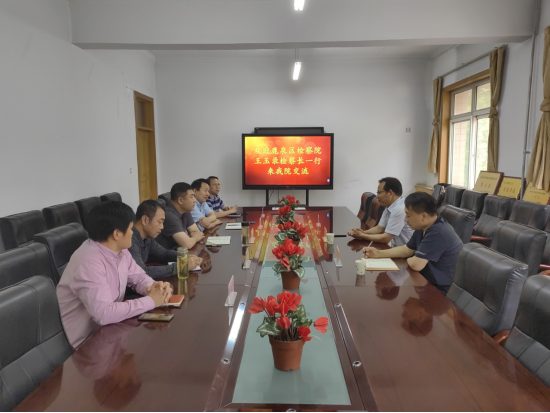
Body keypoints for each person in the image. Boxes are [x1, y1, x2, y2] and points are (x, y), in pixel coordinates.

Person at [57, 201, 173, 348]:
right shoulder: (89, 262)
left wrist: (155, 287)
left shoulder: (121, 250)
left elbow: (138, 277)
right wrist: (151, 301)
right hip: (85, 344)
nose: (133, 233)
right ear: (117, 234)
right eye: (130, 228)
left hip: (111, 331)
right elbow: (104, 313)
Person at [363, 192, 463, 295]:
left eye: (408, 215)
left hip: (440, 292)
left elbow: (416, 265)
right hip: (426, 282)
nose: (405, 219)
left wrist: (410, 258)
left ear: (423, 216)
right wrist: (378, 253)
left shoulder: (438, 232)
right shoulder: (423, 226)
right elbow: (406, 250)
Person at [129, 200, 202, 279]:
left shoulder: (147, 237)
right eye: (160, 222)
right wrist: (181, 266)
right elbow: (142, 272)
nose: (162, 227)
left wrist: (184, 256)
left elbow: (164, 254)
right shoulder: (129, 240)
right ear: (145, 220)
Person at [349, 177, 414, 247]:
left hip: (407, 251)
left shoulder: (399, 209)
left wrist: (362, 235)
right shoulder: (390, 206)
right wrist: (363, 232)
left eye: (379, 192)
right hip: (397, 248)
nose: (377, 196)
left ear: (390, 193)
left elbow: (386, 238)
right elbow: (379, 228)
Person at [156, 182, 206, 250]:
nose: (194, 200)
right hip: (164, 254)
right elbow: (187, 244)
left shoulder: (185, 210)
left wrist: (191, 238)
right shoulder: (168, 215)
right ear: (180, 200)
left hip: (177, 250)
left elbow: (195, 231)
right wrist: (195, 238)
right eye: (191, 197)